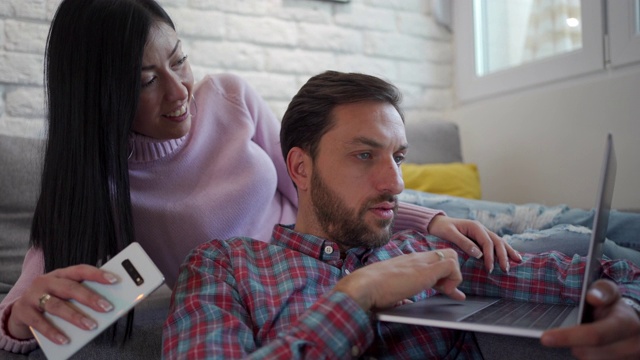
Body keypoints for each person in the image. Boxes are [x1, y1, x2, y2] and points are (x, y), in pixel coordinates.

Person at [0, 0, 516, 354]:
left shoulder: (227, 96)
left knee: (539, 233)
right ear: (97, 93)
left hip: (357, 229)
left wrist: (423, 220)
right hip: (278, 285)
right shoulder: (97, 186)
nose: (179, 91)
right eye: (145, 82)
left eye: (180, 61)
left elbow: (312, 178)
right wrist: (21, 320)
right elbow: (20, 311)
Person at [163, 71, 640, 359]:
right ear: (300, 168)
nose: (394, 183)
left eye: (399, 157)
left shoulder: (422, 253)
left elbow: (609, 274)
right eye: (365, 156)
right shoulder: (226, 266)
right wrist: (357, 295)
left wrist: (626, 307)